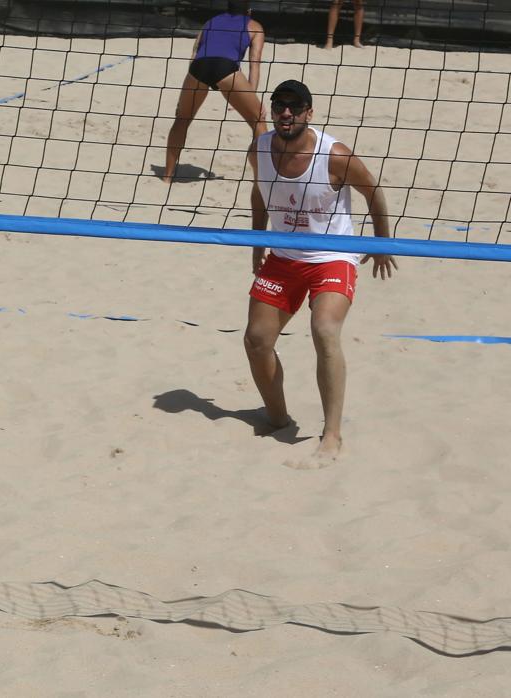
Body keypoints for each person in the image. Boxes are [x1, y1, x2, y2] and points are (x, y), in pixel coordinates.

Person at [244, 80, 396, 464]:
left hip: (333, 255)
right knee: (257, 340)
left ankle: (332, 435)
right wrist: (257, 243)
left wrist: (381, 243)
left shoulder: (335, 155)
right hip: (283, 257)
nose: (286, 113)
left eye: (294, 107)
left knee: (324, 330)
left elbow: (373, 191)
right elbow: (260, 193)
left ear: (309, 113)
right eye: (279, 106)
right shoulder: (260, 149)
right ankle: (278, 418)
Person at [162, 0, 266, 184]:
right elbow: (254, 63)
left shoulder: (210, 21)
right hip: (226, 68)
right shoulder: (254, 26)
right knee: (258, 120)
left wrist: (192, 81)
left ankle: (167, 177)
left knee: (182, 119)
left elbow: (194, 53)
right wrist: (251, 96)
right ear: (249, 11)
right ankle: (263, 179)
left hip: (198, 69)